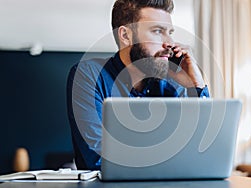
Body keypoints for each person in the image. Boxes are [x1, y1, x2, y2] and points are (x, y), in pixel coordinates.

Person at [67, 0, 210, 170]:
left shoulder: (172, 81)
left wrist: (196, 85)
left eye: (170, 32)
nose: (169, 43)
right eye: (157, 31)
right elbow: (98, 158)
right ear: (126, 36)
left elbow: (203, 151)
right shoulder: (88, 74)